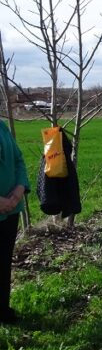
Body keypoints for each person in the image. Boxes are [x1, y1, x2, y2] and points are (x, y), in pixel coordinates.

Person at [0, 120, 30, 324]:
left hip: (10, 210)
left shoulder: (1, 126)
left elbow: (18, 160)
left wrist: (19, 190)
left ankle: (3, 311)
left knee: (3, 263)